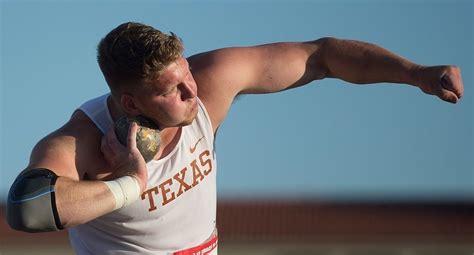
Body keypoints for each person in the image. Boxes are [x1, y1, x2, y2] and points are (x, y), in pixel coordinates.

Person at [6, 22, 464, 254]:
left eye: (188, 75)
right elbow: (28, 209)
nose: (193, 93)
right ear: (129, 104)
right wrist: (128, 185)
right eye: (175, 90)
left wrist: (414, 73)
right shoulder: (83, 141)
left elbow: (321, 57)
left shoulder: (211, 80)